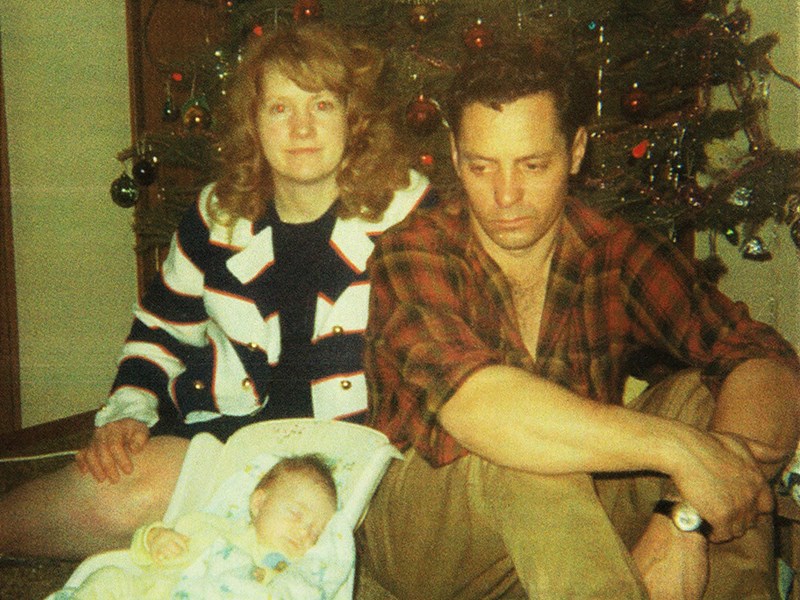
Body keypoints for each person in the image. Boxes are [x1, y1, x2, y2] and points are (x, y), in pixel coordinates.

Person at [357, 42, 800, 600]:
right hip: (426, 535)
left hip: (573, 530)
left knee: (706, 402)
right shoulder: (415, 251)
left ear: (576, 151)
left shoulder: (613, 248)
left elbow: (764, 359)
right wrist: (679, 450)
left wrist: (686, 516)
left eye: (533, 164)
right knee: (527, 457)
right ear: (453, 154)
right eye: (481, 166)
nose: (505, 195)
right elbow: (477, 408)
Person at [0, 23, 432, 559]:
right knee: (109, 499)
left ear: (354, 118)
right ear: (254, 123)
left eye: (321, 105)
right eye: (279, 108)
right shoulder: (216, 216)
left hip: (351, 454)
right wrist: (130, 411)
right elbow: (159, 330)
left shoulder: (410, 219)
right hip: (232, 434)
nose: (301, 127)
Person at [69, 454, 344, 599]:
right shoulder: (205, 523)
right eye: (296, 514)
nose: (304, 532)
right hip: (145, 592)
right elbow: (142, 546)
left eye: (315, 532)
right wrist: (157, 538)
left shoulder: (281, 568)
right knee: (108, 577)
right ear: (259, 503)